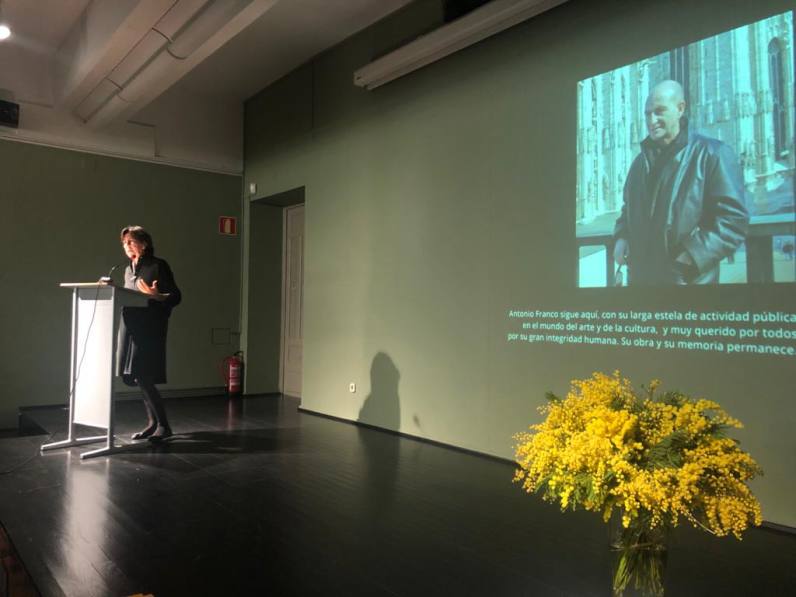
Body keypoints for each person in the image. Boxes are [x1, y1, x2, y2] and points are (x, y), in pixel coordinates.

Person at [613, 80, 749, 285]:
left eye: (659, 111)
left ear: (680, 109)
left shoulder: (712, 154)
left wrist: (691, 256)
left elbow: (734, 220)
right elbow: (628, 210)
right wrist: (622, 236)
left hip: (687, 284)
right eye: (647, 114)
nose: (651, 120)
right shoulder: (639, 163)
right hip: (641, 286)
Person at [115, 226, 181, 441]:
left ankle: (163, 425)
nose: (126, 246)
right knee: (136, 376)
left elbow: (176, 296)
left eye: (131, 242)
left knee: (144, 375)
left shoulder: (157, 265)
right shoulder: (128, 269)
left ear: (144, 244)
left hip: (149, 328)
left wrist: (158, 296)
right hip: (130, 327)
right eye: (124, 243)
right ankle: (153, 424)